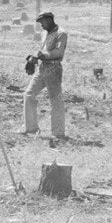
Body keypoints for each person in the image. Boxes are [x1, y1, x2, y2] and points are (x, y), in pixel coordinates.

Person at [23, 10, 68, 138]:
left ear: (49, 20)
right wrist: (33, 58)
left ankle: (58, 133)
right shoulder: (44, 33)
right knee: (28, 95)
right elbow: (42, 50)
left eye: (42, 22)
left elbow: (58, 52)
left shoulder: (61, 34)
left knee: (56, 101)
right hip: (42, 68)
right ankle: (31, 129)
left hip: (53, 69)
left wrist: (42, 55)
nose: (41, 26)